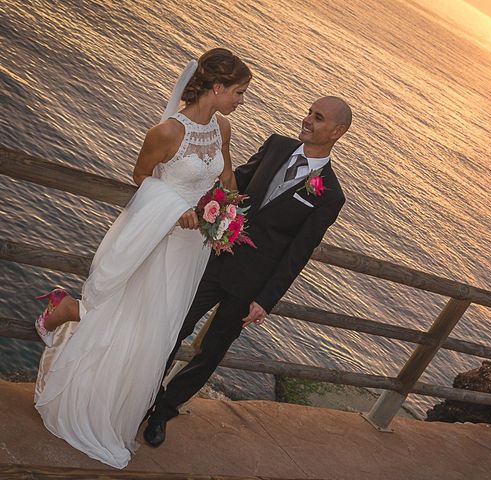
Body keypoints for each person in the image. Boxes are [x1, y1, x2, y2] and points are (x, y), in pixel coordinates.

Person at [32, 47, 252, 469]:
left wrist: (228, 213)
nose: (241, 101)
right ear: (218, 88)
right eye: (239, 92)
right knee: (118, 311)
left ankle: (110, 406)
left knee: (154, 329)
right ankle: (62, 310)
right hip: (156, 233)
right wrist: (177, 207)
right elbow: (140, 177)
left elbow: (226, 177)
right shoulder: (167, 132)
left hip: (191, 246)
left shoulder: (222, 127)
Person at [143, 95, 352, 447]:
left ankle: (164, 411)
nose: (306, 120)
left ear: (337, 131)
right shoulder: (276, 145)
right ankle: (144, 395)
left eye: (317, 118)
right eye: (308, 112)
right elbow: (236, 182)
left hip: (252, 285)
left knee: (210, 352)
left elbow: (298, 253)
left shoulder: (330, 194)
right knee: (174, 327)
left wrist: (266, 300)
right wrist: (190, 197)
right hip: (216, 260)